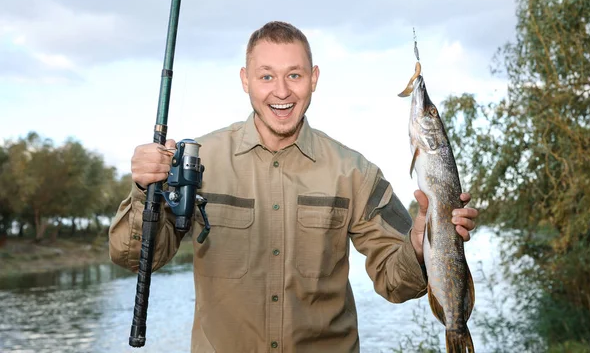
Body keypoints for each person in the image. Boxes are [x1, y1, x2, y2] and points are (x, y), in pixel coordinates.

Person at [108, 21, 478, 353]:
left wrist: (417, 246)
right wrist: (145, 190)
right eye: (266, 76)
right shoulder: (196, 162)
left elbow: (396, 284)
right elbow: (133, 258)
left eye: (295, 75)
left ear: (314, 78)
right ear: (245, 79)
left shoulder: (356, 172)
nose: (281, 92)